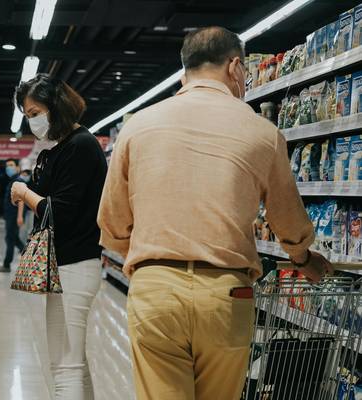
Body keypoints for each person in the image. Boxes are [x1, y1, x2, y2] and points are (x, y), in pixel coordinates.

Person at [97, 27, 334, 400]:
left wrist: (154, 263)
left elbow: (111, 221)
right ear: (236, 67)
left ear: (184, 69)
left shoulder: (138, 126)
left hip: (155, 291)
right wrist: (303, 258)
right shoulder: (262, 132)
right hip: (227, 294)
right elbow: (286, 217)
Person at [10, 73, 107, 400]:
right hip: (71, 264)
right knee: (75, 362)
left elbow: (59, 213)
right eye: (27, 116)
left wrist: (25, 192)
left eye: (35, 113)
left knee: (64, 367)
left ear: (56, 107)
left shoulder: (80, 146)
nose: (32, 122)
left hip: (73, 266)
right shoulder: (64, 147)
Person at [0, 159, 25, 273]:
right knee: (14, 239)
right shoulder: (12, 180)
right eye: (7, 166)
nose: (9, 168)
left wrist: (19, 216)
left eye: (11, 165)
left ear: (17, 167)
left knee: (10, 239)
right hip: (10, 215)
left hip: (14, 215)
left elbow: (21, 200)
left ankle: (6, 265)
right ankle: (30, 256)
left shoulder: (18, 181)